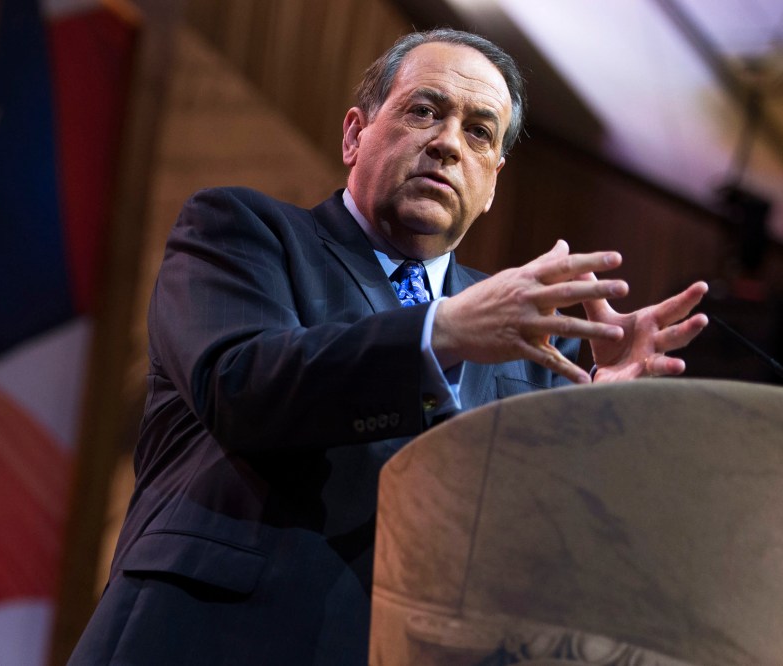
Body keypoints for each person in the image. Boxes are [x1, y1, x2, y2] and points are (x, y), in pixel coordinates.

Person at [69, 28, 708, 666]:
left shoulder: (533, 342)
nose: (448, 144)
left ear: (491, 186)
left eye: (479, 132)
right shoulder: (243, 232)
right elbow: (242, 386)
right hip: (207, 637)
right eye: (424, 111)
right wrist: (443, 334)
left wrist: (598, 431)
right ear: (355, 135)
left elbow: (535, 559)